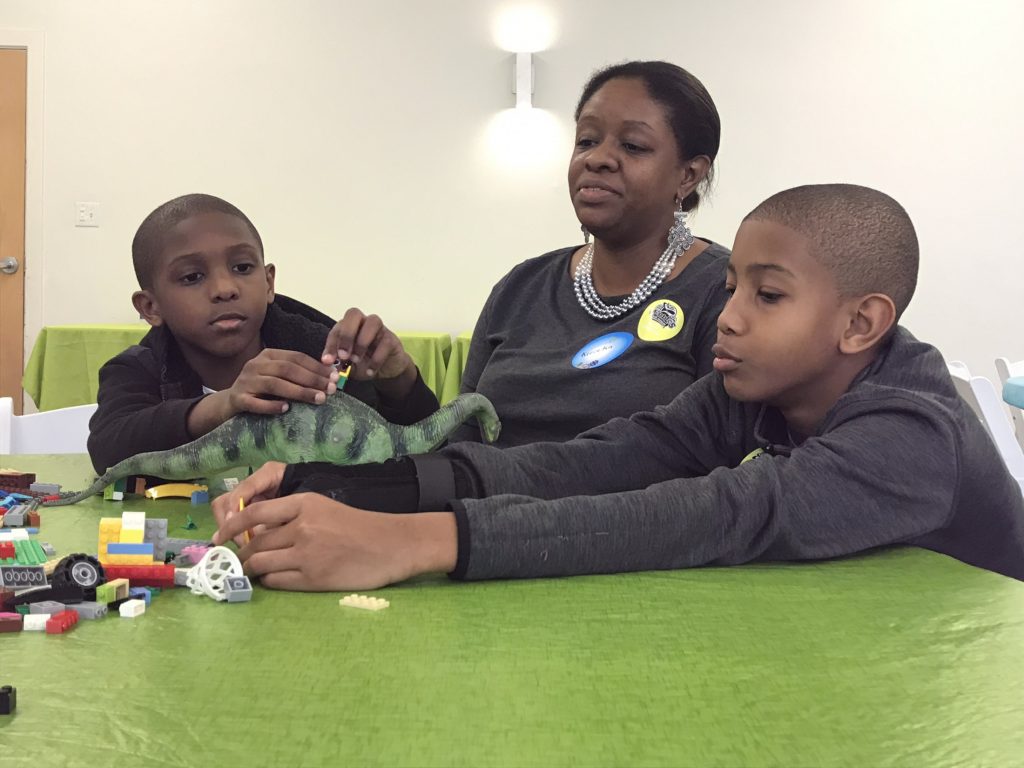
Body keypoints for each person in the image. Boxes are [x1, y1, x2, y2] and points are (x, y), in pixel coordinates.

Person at [213, 183, 1024, 590]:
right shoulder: (753, 387)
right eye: (733, 285)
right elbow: (605, 459)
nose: (729, 318)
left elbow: (720, 515)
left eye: (765, 295)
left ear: (861, 323)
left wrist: (417, 542)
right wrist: (346, 485)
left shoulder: (912, 434)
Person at [451, 60, 730, 446]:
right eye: (586, 140)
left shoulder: (725, 291)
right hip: (474, 503)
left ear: (688, 174)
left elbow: (715, 466)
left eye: (632, 146)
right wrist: (399, 385)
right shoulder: (520, 287)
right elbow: (461, 439)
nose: (597, 158)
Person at [87, 193, 439, 473]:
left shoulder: (322, 353)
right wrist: (225, 403)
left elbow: (418, 451)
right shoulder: (136, 369)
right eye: (192, 277)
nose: (225, 288)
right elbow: (109, 450)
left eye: (242, 267)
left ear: (269, 282)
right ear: (151, 308)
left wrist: (397, 380)